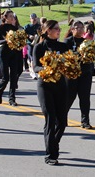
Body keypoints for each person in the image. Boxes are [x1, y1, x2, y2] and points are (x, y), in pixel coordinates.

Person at [33, 20, 68, 165]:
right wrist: (47, 70)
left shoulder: (63, 46)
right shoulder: (39, 47)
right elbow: (35, 67)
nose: (59, 31)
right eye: (56, 29)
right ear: (48, 31)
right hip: (45, 85)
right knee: (50, 119)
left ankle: (53, 143)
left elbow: (69, 64)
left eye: (59, 29)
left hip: (60, 85)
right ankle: (50, 154)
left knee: (62, 122)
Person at [64, 21, 94, 129]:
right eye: (78, 27)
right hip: (71, 74)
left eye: (82, 27)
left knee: (85, 97)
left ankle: (85, 121)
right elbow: (65, 57)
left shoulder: (86, 42)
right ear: (72, 29)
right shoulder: (67, 42)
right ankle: (63, 117)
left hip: (85, 73)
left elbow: (91, 55)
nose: (80, 29)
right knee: (69, 97)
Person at [0, 10, 23, 106]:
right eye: (10, 16)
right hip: (4, 53)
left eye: (13, 16)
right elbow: (0, 41)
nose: (12, 18)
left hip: (14, 54)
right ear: (5, 18)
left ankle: (12, 99)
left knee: (13, 77)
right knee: (6, 77)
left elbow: (19, 43)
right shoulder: (1, 27)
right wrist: (8, 40)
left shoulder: (15, 29)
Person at [24, 13, 41, 77]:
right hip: (30, 43)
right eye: (32, 19)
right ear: (30, 19)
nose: (34, 20)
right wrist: (29, 35)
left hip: (37, 43)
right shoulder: (27, 26)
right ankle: (32, 69)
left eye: (35, 19)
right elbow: (24, 34)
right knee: (31, 54)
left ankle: (36, 68)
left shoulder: (39, 26)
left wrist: (37, 36)